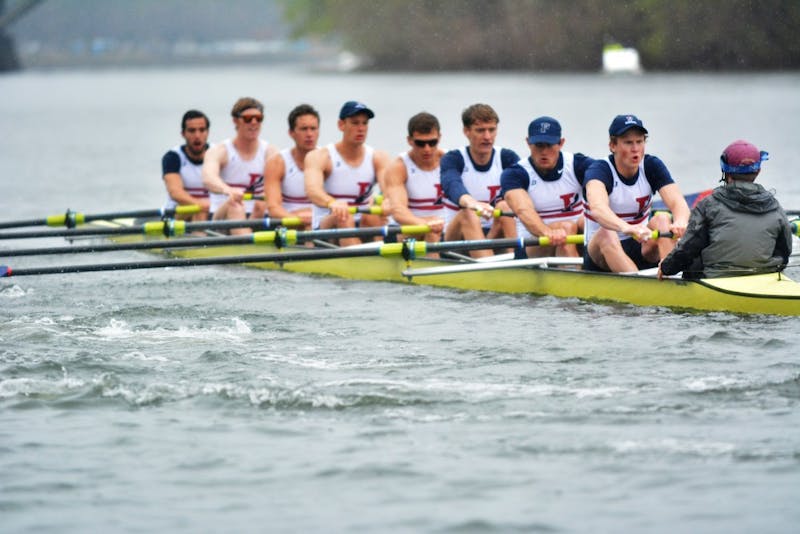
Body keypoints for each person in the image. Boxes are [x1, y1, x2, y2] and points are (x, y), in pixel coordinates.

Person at [658, 140, 792, 279]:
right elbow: (784, 253)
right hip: (765, 276)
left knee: (695, 259)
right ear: (758, 171)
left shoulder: (708, 205)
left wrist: (666, 267)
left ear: (725, 171)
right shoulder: (776, 207)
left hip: (715, 278)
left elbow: (688, 249)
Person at [583, 114, 690, 272]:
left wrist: (680, 221)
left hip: (640, 243)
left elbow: (677, 202)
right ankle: (640, 282)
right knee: (607, 233)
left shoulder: (651, 165)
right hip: (600, 253)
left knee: (662, 219)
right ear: (613, 146)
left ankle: (671, 275)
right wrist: (627, 228)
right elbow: (598, 209)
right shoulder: (599, 171)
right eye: (628, 143)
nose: (635, 149)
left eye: (639, 142)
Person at [501, 116, 593, 258]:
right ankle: (574, 270)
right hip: (534, 244)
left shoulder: (579, 165)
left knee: (589, 223)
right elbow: (523, 210)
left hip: (576, 238)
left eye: (549, 145)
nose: (544, 152)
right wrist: (547, 232)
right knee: (566, 227)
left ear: (561, 143)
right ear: (528, 143)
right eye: (539, 145)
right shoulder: (515, 173)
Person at [304, 100, 391, 247]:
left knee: (374, 217)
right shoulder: (320, 156)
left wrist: (388, 201)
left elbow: (390, 189)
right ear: (341, 125)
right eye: (355, 123)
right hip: (327, 224)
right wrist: (332, 203)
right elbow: (312, 191)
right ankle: (362, 255)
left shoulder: (378, 157)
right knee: (344, 216)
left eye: (364, 123)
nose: (361, 128)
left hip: (361, 223)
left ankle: (374, 253)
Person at [440, 103, 520, 258]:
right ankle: (491, 267)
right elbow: (452, 185)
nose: (487, 137)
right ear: (466, 131)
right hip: (456, 240)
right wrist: (472, 203)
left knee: (505, 206)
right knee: (468, 213)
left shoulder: (507, 158)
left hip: (492, 235)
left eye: (492, 130)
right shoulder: (453, 159)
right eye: (480, 130)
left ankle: (518, 260)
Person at [202, 97, 278, 234]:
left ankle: (247, 238)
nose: (254, 123)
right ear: (235, 121)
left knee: (262, 204)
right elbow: (208, 178)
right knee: (235, 205)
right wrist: (228, 190)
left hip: (257, 215)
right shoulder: (220, 151)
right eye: (248, 118)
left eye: (258, 118)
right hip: (222, 217)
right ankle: (247, 242)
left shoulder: (270, 152)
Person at [382, 112, 446, 252]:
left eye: (432, 142)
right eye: (420, 143)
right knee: (431, 232)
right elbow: (399, 211)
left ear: (439, 138)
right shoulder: (399, 167)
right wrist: (427, 224)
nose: (427, 149)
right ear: (410, 140)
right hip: (406, 229)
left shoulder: (449, 161)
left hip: (443, 228)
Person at [263, 104, 320, 229]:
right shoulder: (277, 162)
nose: (309, 134)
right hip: (288, 222)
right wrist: (298, 220)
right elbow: (273, 208)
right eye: (304, 129)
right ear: (291, 133)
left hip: (319, 221)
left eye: (313, 128)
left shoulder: (327, 159)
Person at [161, 109, 210, 221]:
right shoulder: (173, 157)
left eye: (202, 130)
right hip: (178, 213)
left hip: (211, 212)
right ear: (183, 134)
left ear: (207, 132)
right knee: (199, 210)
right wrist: (203, 205)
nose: (197, 136)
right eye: (192, 131)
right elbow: (176, 193)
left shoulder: (217, 153)